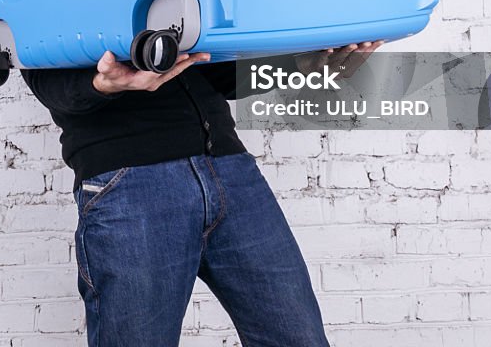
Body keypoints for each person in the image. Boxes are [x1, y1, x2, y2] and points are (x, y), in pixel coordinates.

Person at [21, 42, 382, 347]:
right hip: (131, 188)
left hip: (231, 170)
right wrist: (101, 83)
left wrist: (303, 66)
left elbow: (216, 75)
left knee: (298, 337)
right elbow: (44, 78)